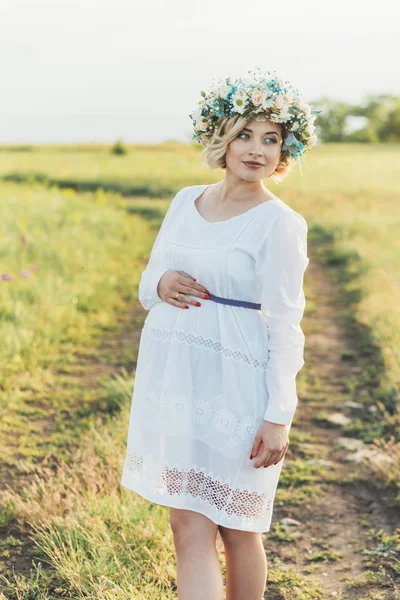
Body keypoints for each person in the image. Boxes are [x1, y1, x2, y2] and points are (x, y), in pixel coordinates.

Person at [120, 67, 319, 599]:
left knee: (238, 528)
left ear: (284, 152)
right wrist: (160, 281)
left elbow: (286, 324)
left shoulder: (280, 223)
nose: (257, 150)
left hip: (238, 384)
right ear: (223, 140)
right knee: (187, 526)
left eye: (271, 139)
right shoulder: (185, 201)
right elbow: (147, 284)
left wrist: (278, 416)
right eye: (245, 135)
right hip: (177, 381)